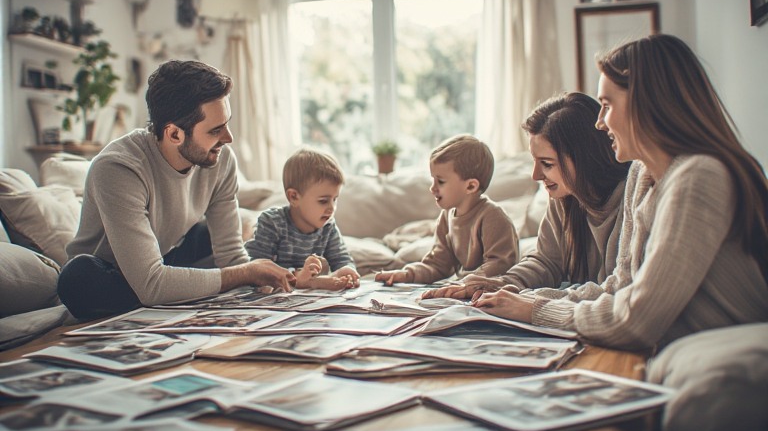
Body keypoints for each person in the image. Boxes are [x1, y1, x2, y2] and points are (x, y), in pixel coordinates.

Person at [472, 33, 768, 351]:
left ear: (647, 105)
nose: (599, 123)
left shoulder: (699, 177)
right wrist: (523, 299)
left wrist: (535, 309)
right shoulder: (643, 174)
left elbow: (634, 321)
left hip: (720, 353)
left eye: (607, 105)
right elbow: (620, 285)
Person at [57, 60, 294, 320]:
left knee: (206, 236)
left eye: (226, 124)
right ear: (173, 134)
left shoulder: (222, 160)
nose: (228, 138)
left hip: (166, 256)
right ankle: (174, 292)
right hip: (110, 276)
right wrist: (243, 274)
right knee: (77, 278)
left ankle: (177, 291)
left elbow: (231, 256)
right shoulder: (117, 167)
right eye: (215, 130)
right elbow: (150, 283)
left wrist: (264, 282)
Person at [422, 92, 629, 301]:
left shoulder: (629, 198)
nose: (535, 175)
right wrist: (501, 284)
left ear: (584, 158)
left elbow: (618, 294)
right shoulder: (564, 198)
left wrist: (530, 301)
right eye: (535, 161)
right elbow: (546, 261)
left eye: (547, 164)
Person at [375, 134, 519, 286]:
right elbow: (438, 264)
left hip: (490, 293)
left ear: (470, 186)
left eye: (441, 181)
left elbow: (500, 266)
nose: (432, 188)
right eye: (433, 180)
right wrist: (407, 274)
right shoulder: (447, 215)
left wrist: (465, 283)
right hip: (463, 290)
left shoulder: (493, 217)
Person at [245, 148, 360, 291]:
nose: (332, 208)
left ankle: (311, 281)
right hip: (278, 283)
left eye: (335, 199)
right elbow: (255, 266)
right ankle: (308, 281)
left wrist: (346, 270)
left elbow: (341, 258)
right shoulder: (272, 222)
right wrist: (296, 275)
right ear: (294, 197)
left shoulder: (328, 226)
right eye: (323, 201)